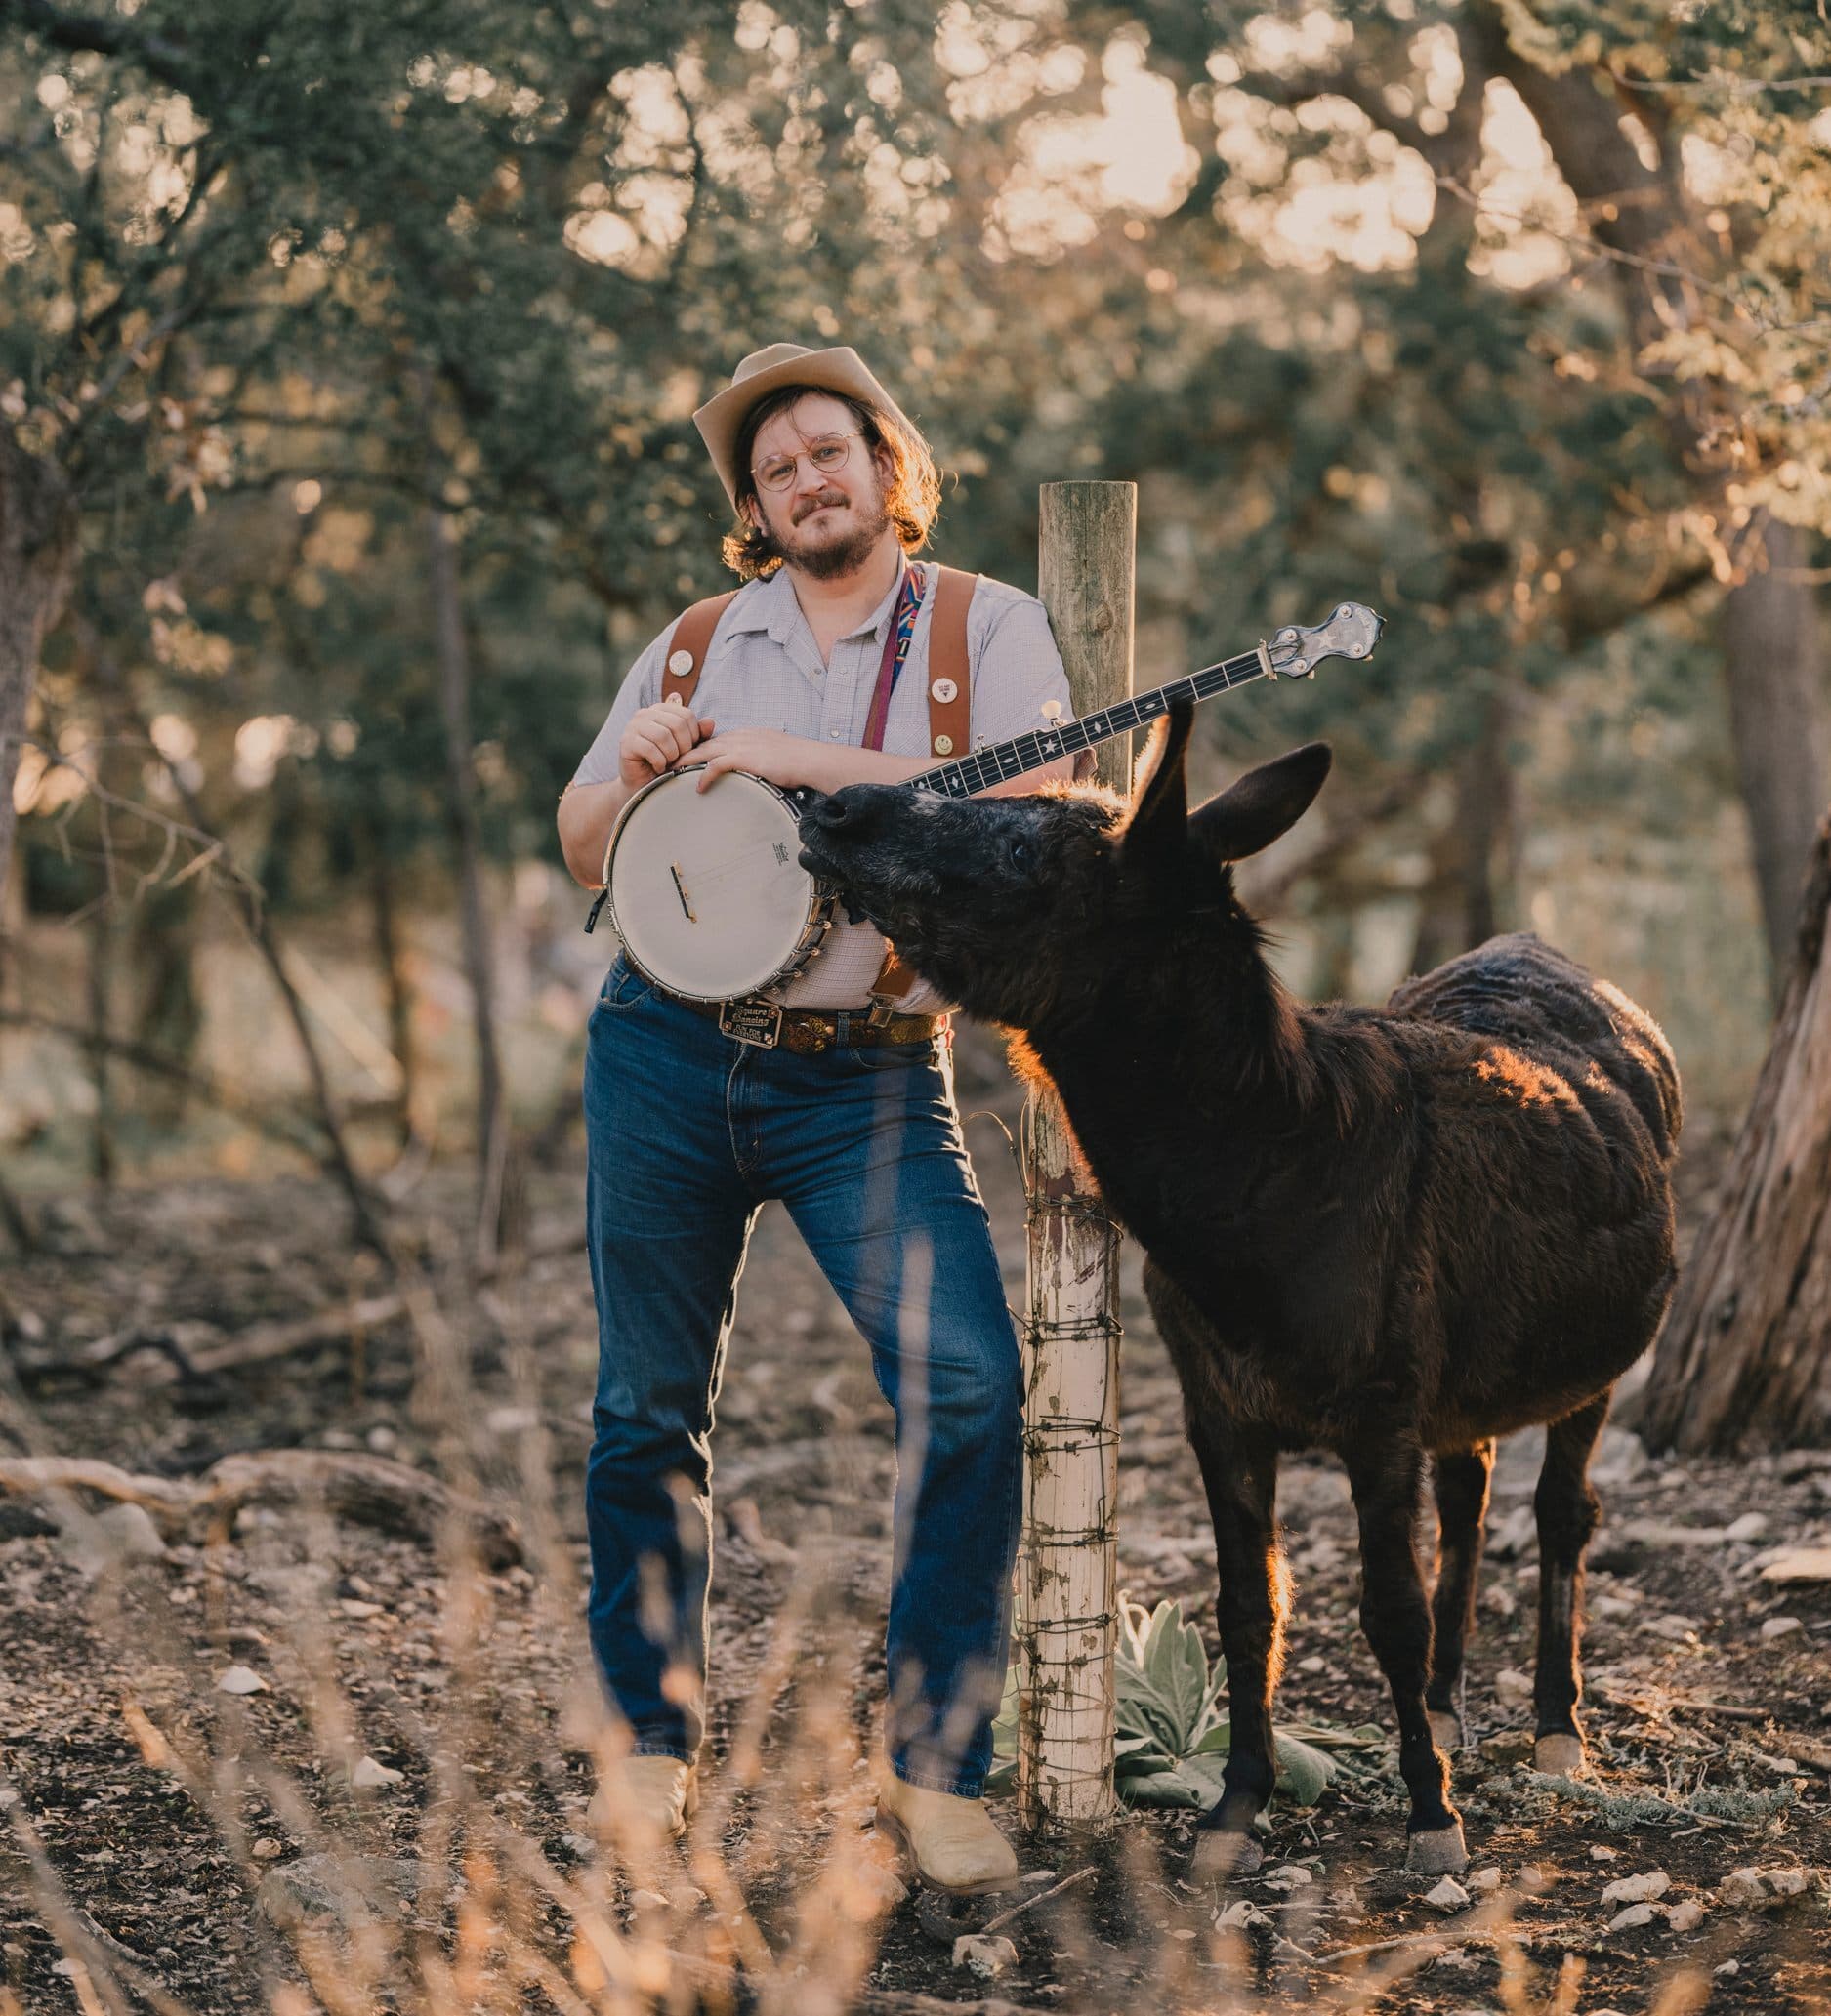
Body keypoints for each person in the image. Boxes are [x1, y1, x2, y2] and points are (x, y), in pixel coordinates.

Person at [557, 341, 1078, 1894]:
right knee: (646, 1410)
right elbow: (583, 845)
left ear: (886, 465)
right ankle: (648, 1744)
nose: (801, 479)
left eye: (825, 451)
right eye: (772, 468)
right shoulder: (696, 643)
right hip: (662, 1054)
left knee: (970, 1381)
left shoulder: (985, 627)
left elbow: (1041, 808)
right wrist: (635, 772)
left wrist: (798, 761)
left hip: (867, 1073)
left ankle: (933, 1767)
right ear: (755, 508)